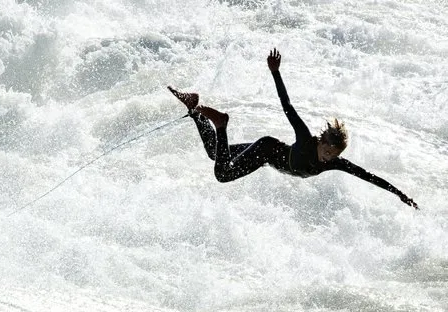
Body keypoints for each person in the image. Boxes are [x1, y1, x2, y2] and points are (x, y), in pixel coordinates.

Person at [168, 48, 418, 209]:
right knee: (222, 174)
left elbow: (367, 175)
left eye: (333, 156)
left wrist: (398, 193)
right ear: (321, 141)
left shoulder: (335, 163)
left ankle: (194, 107)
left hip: (265, 151)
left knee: (214, 153)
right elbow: (287, 106)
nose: (327, 158)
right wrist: (276, 73)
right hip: (265, 150)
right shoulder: (306, 138)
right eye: (327, 152)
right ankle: (221, 123)